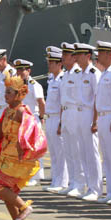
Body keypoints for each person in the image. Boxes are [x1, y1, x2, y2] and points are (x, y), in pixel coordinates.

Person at [0, 76, 47, 220]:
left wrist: (23, 146)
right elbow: (0, 128)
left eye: (9, 92)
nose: (5, 95)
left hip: (17, 158)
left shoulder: (22, 111)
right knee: (8, 193)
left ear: (18, 94)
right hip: (7, 155)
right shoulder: (8, 110)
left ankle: (24, 207)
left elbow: (30, 130)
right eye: (5, 92)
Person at [93, 41, 111, 204]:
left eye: (102, 53)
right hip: (103, 116)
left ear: (110, 55)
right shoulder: (104, 73)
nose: (99, 56)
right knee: (108, 157)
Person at [73, 43, 102, 201]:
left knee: (92, 153)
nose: (75, 57)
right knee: (83, 152)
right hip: (80, 114)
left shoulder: (93, 73)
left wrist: (95, 121)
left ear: (88, 56)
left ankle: (96, 188)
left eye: (79, 54)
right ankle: (88, 186)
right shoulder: (80, 74)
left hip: (90, 114)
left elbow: (97, 97)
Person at [58, 42, 86, 197]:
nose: (62, 58)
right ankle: (73, 182)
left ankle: (80, 184)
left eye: (65, 55)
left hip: (76, 112)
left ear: (73, 57)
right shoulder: (66, 74)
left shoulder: (77, 73)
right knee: (68, 149)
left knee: (76, 150)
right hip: (66, 112)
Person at [13, 59, 45, 186]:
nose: (20, 72)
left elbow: (41, 102)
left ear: (28, 71)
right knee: (22, 148)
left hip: (32, 118)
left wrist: (42, 117)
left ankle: (36, 176)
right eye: (18, 70)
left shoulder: (34, 84)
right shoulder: (17, 85)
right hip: (22, 119)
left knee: (34, 148)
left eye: (22, 70)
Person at [43, 47, 68, 193]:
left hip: (58, 117)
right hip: (50, 117)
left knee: (61, 152)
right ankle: (55, 180)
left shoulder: (62, 80)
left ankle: (62, 181)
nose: (49, 64)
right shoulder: (52, 79)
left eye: (51, 62)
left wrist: (61, 122)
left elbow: (62, 103)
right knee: (53, 151)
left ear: (59, 64)